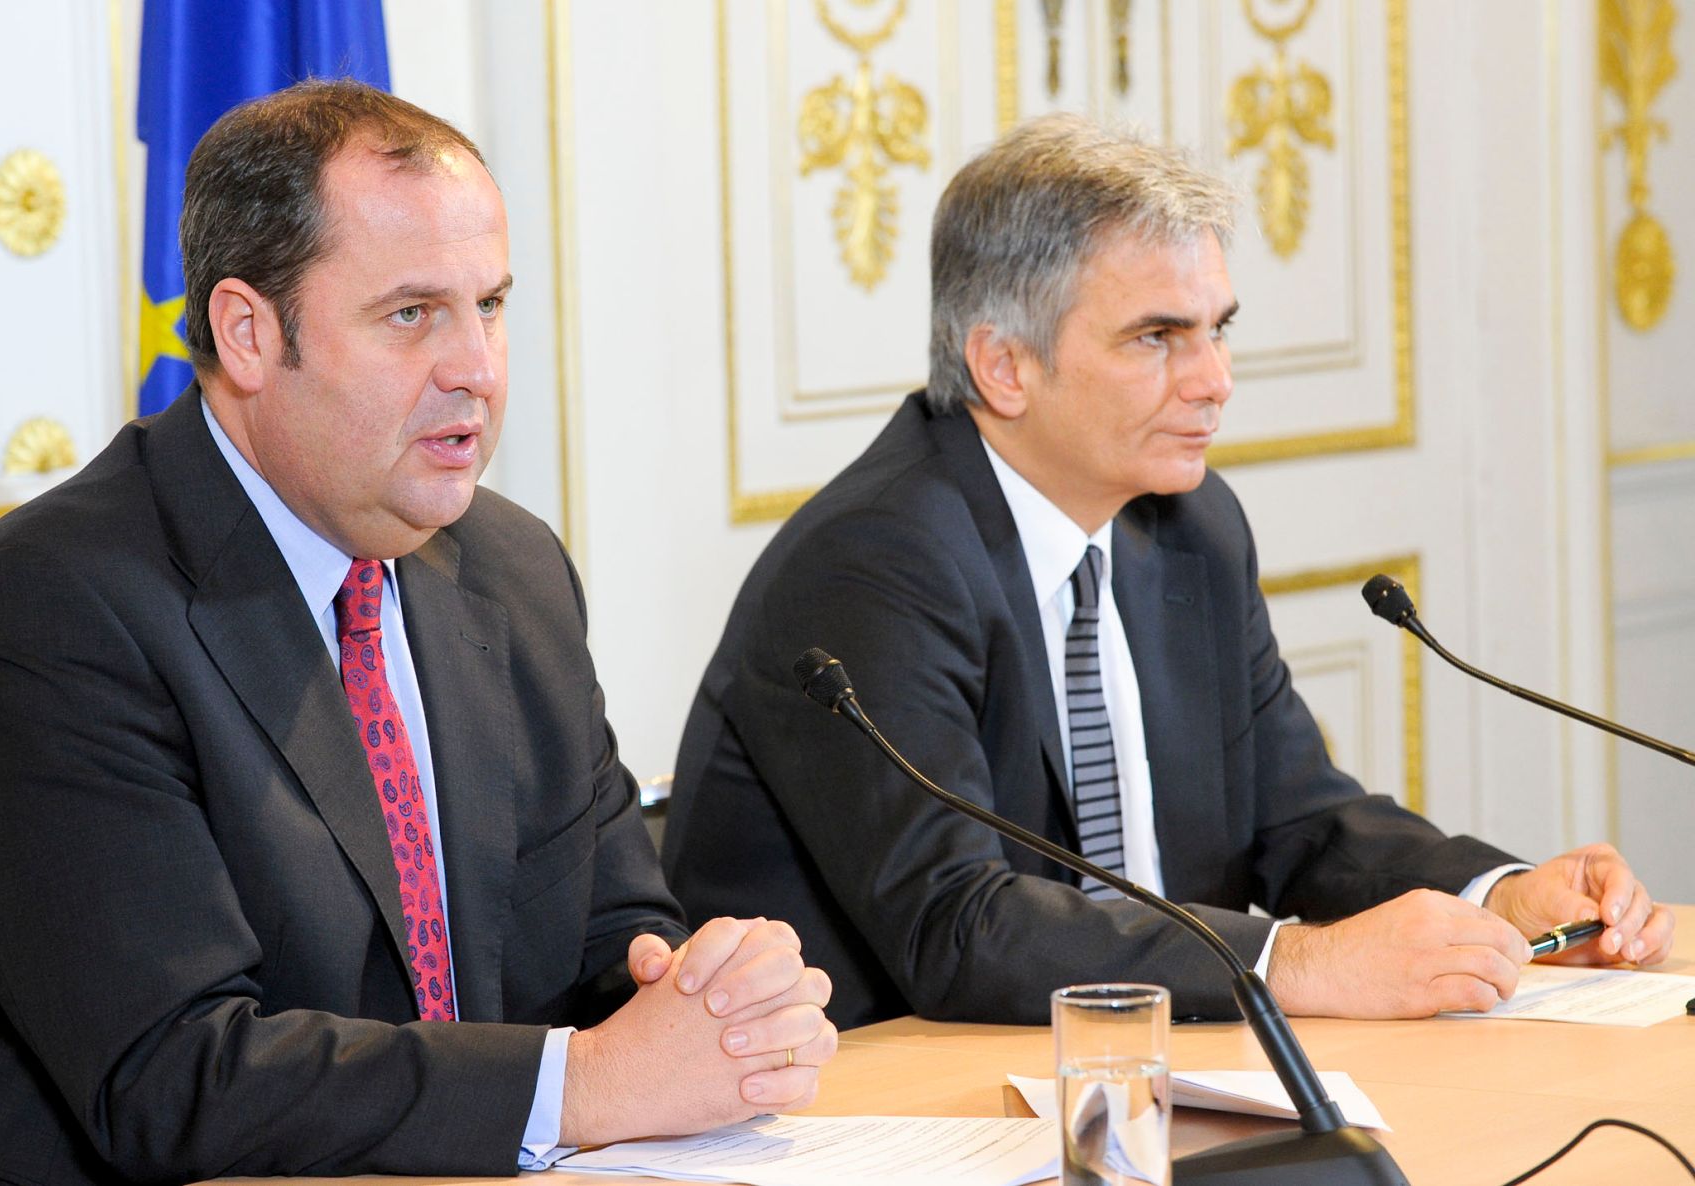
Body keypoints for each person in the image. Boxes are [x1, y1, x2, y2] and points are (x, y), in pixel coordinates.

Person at [0, 80, 836, 1184]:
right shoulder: (60, 604)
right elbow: (172, 1076)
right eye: (412, 314)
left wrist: (714, 1000)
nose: (478, 369)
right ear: (248, 332)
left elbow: (613, 948)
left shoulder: (513, 570)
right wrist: (591, 1079)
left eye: (491, 304)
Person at [662, 114, 1674, 1032]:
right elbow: (958, 927)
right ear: (1001, 365)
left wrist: (1493, 896)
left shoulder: (1187, 525)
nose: (1214, 380)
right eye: (1157, 338)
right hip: (866, 1105)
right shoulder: (873, 562)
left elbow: (1295, 823)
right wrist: (1292, 961)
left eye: (1217, 328)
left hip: (1147, 1064)